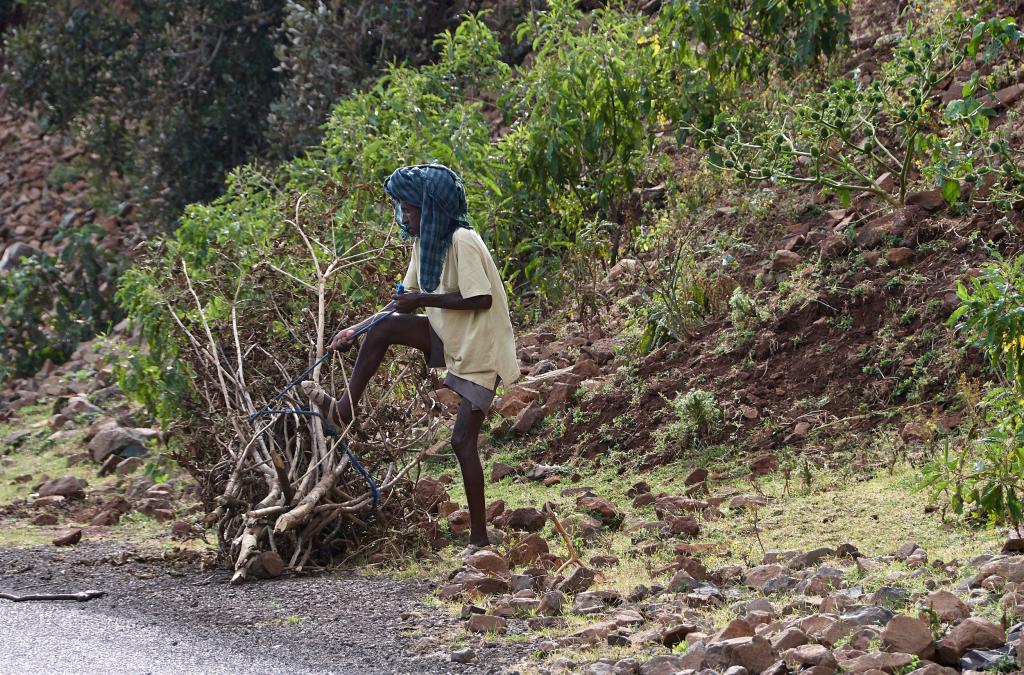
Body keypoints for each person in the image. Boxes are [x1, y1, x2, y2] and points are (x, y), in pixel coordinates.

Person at [302, 163, 519, 552]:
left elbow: (480, 299)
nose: (404, 216)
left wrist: (422, 300)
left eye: (410, 208)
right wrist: (359, 329)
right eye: (402, 207)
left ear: (430, 208)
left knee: (462, 441)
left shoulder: (462, 240)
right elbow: (403, 299)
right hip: (449, 335)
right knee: (385, 329)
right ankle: (344, 409)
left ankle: (480, 540)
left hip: (480, 351)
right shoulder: (425, 242)